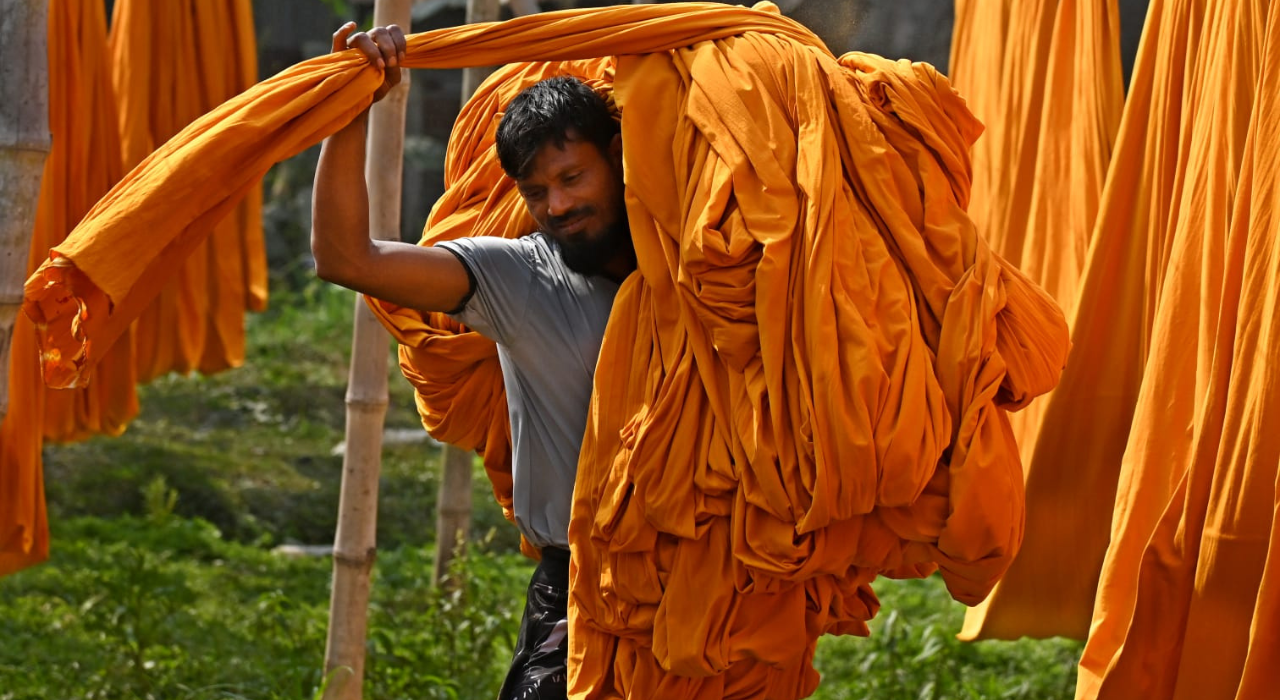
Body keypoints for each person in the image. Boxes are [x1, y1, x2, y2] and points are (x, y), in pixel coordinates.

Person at [312, 22, 635, 700]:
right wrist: (346, 114)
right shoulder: (520, 278)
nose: (558, 206)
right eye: (536, 192)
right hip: (580, 599)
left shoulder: (702, 268)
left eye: (572, 178)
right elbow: (349, 258)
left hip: (718, 590)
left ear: (618, 156)